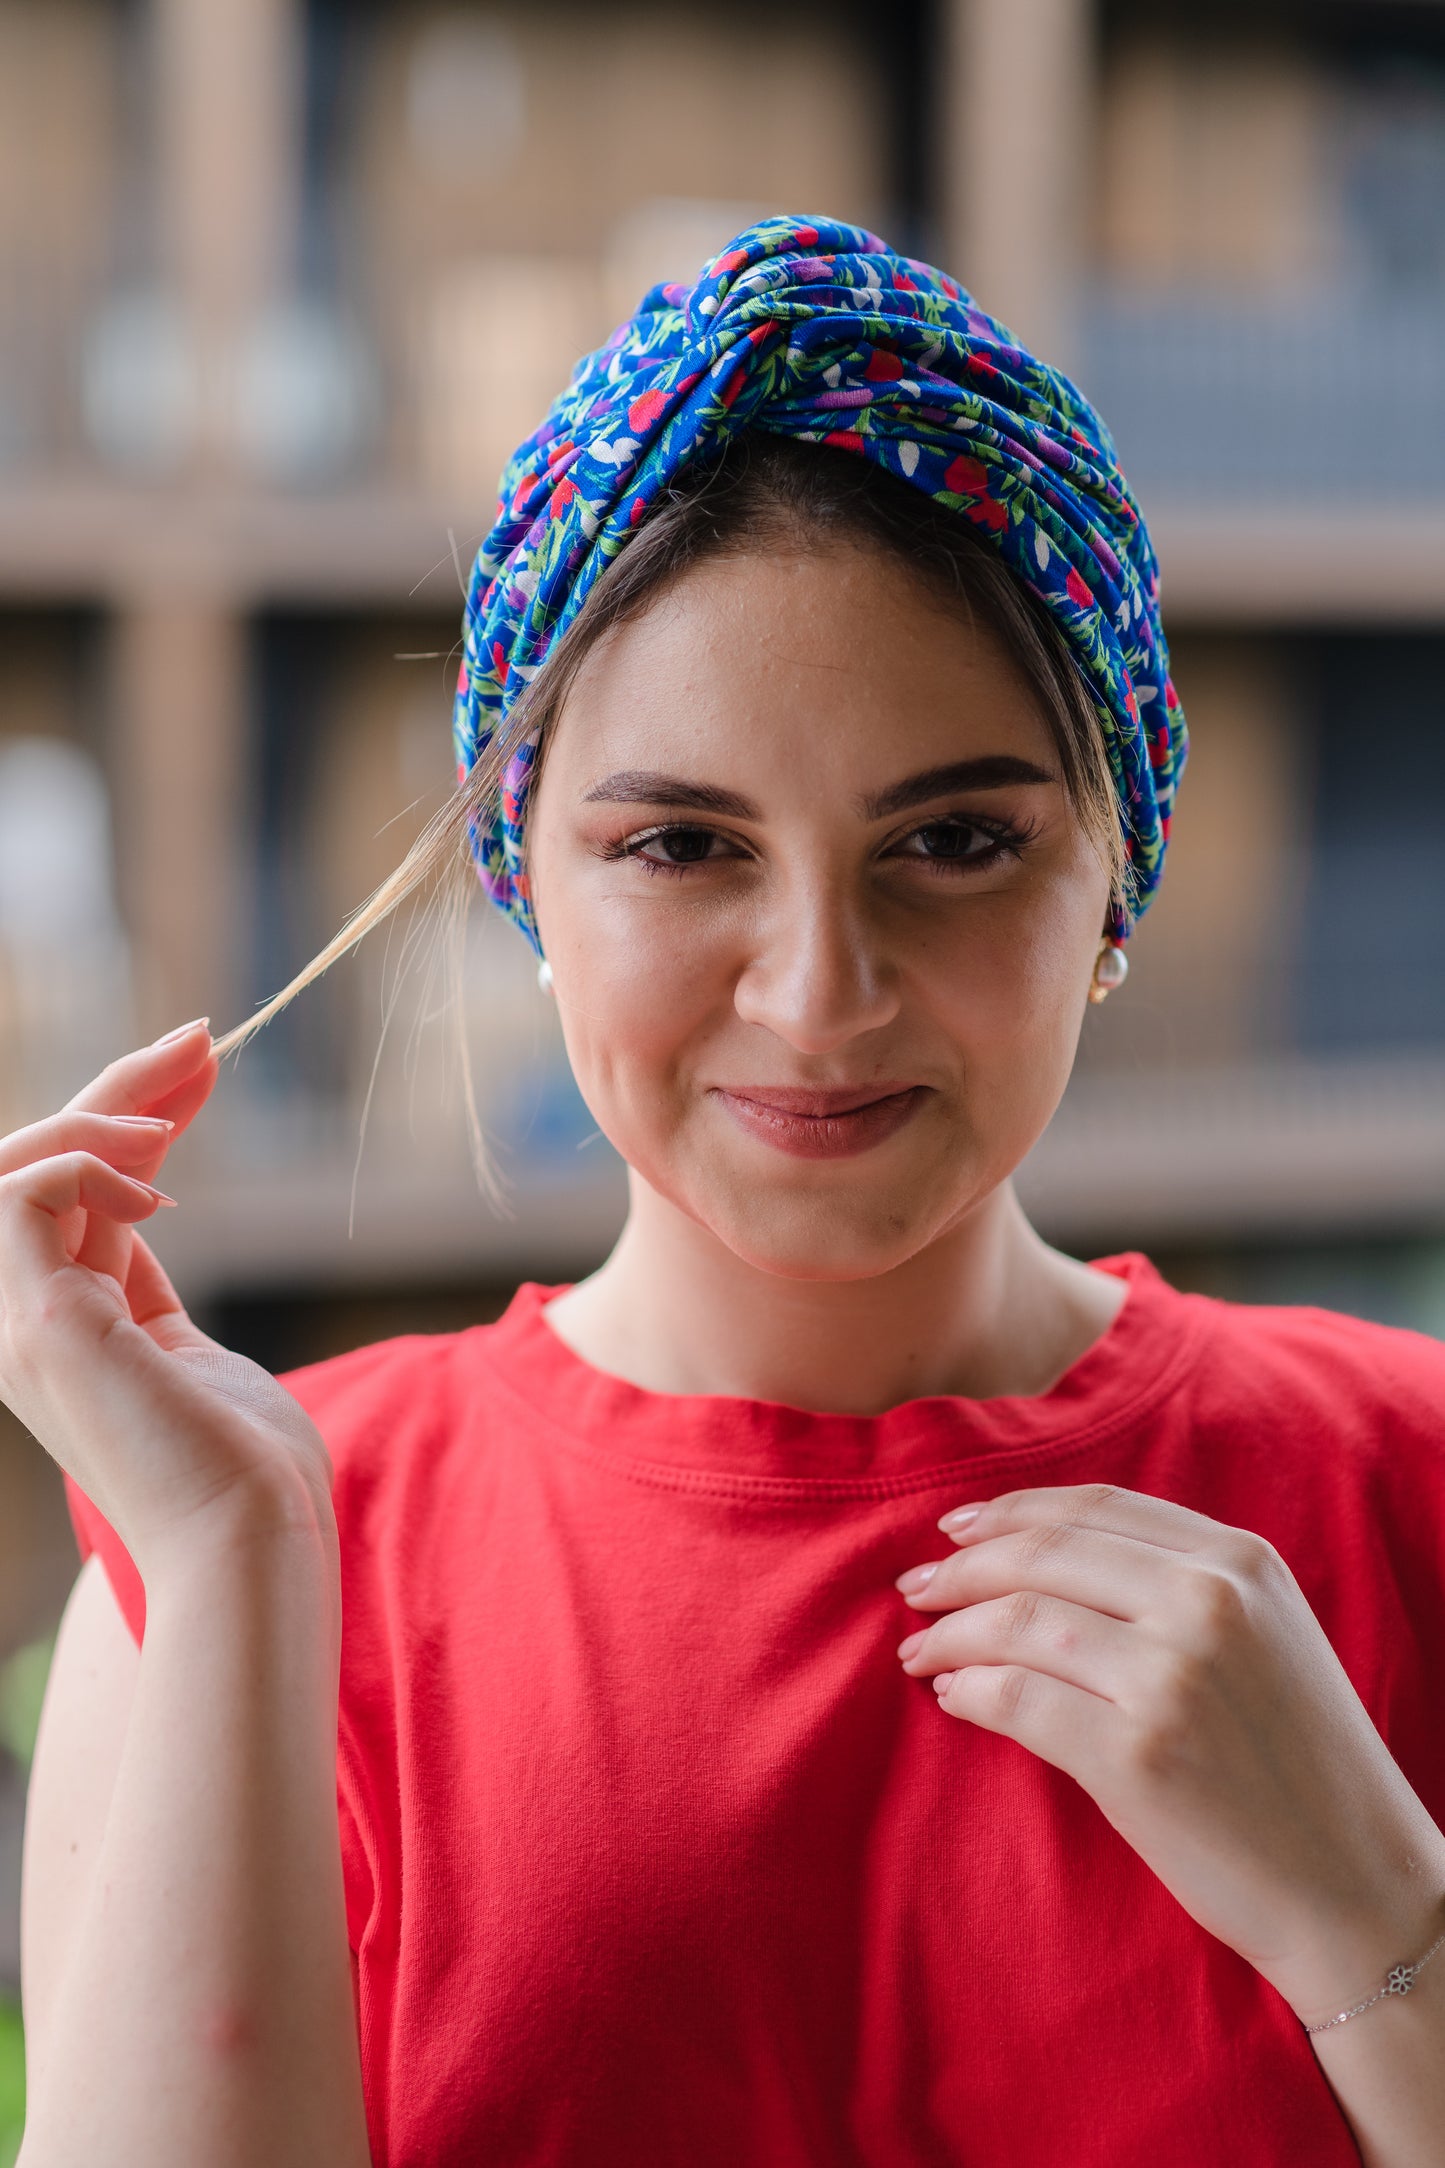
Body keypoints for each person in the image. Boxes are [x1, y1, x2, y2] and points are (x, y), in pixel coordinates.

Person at [6, 217, 1445, 2168]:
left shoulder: (1407, 1486)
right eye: (684, 842)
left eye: (954, 837)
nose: (817, 991)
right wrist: (240, 1563)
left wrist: (1380, 1913)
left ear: (1116, 870)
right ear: (530, 878)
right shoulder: (229, 1565)